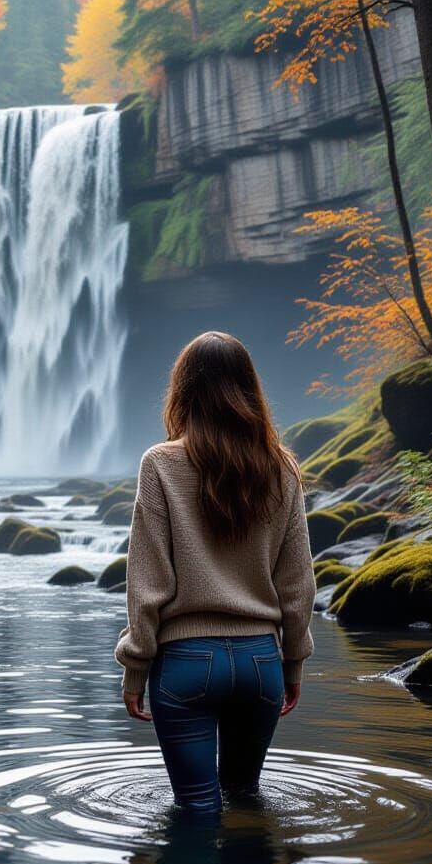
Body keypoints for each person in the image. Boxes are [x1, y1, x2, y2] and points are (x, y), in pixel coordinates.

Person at [115, 331, 316, 814]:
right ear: (249, 391)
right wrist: (292, 663)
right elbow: (298, 584)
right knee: (246, 801)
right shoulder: (282, 468)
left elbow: (148, 582)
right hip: (260, 665)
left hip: (185, 664)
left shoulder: (160, 464)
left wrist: (135, 668)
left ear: (182, 391)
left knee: (197, 809)